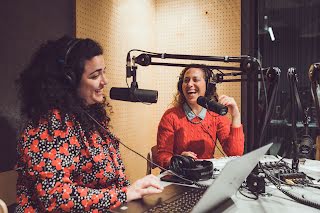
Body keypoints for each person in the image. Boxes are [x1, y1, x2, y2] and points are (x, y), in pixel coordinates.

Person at [15, 36, 163, 212]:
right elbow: (55, 196)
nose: (104, 81)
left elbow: (115, 178)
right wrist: (123, 195)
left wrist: (135, 194)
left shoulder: (90, 117)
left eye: (103, 71)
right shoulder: (48, 126)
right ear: (69, 82)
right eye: (95, 75)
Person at [156, 65, 244, 168]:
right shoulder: (170, 117)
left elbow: (235, 154)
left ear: (207, 85)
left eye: (195, 80)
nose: (189, 84)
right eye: (186, 80)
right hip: (179, 176)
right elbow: (162, 156)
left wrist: (236, 115)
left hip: (206, 175)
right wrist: (178, 160)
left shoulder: (216, 115)